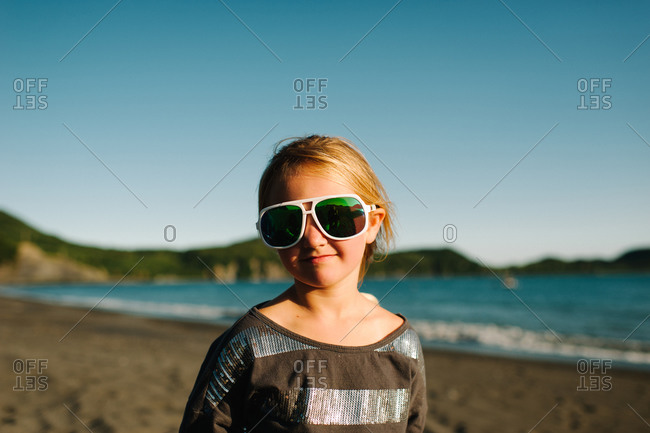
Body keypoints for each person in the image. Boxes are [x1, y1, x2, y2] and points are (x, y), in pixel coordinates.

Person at [179, 135, 427, 432]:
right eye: (286, 222)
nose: (312, 237)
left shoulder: (403, 344)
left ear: (372, 224)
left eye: (334, 216)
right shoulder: (248, 343)